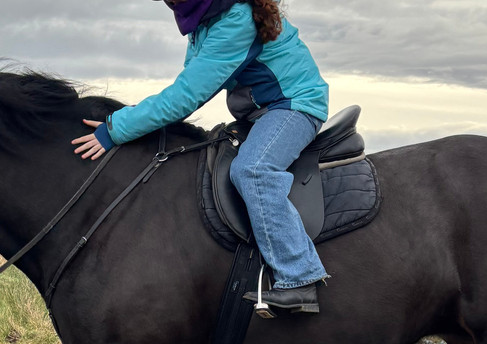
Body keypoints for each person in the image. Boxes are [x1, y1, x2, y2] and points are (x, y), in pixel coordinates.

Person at [72, 0, 330, 314]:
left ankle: (299, 277)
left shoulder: (235, 21)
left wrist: (118, 128)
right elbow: (187, 83)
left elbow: (187, 96)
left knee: (253, 170)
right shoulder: (206, 21)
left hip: (293, 107)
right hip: (259, 113)